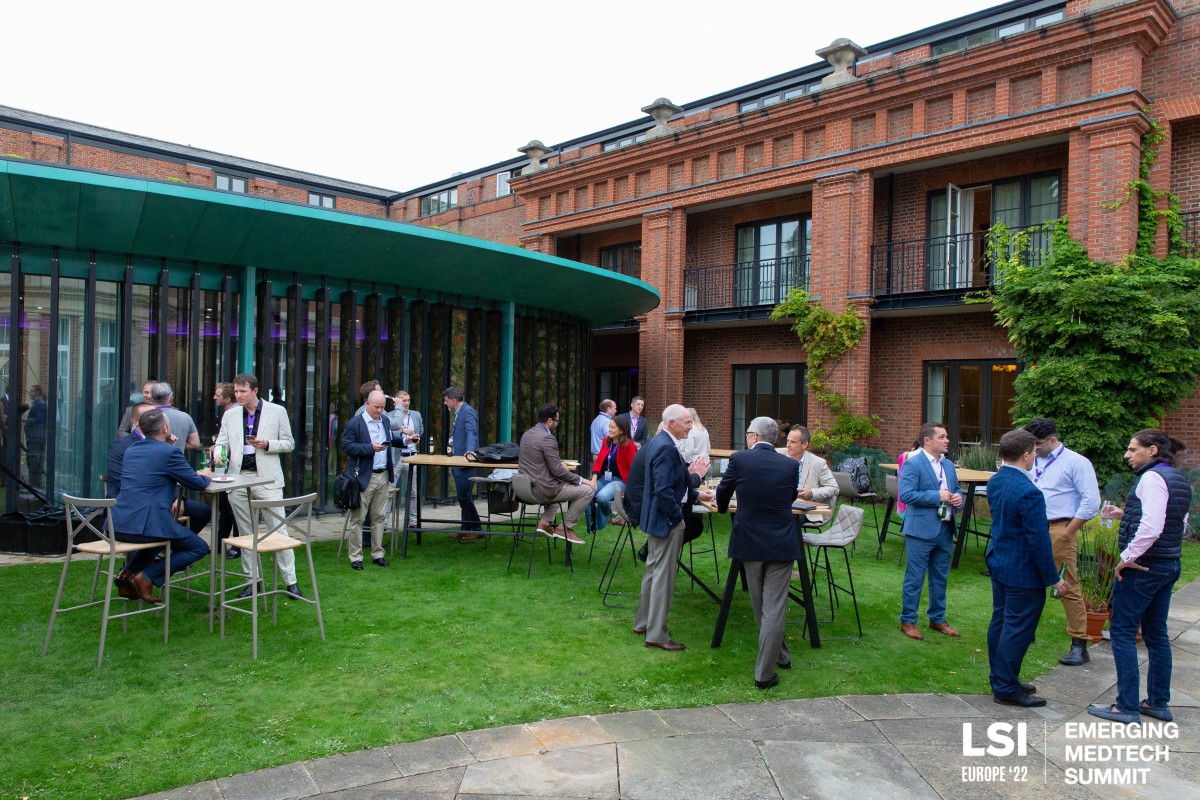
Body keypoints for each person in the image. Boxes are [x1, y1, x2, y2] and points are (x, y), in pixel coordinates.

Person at [1088, 430, 1191, 724]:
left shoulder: (1152, 478)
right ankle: (1158, 703)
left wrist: (1127, 558)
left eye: (1133, 449)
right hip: (1168, 564)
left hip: (1143, 568)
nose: (1127, 455)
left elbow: (1153, 527)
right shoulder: (1178, 479)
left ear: (1152, 450)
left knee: (1122, 632)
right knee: (1157, 634)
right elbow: (1177, 524)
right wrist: (1126, 514)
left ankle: (1126, 706)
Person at [716, 416, 803, 690]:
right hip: (781, 543)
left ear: (754, 436)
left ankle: (763, 675)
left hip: (749, 542)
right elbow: (790, 497)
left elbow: (723, 491)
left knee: (761, 607)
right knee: (772, 607)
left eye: (747, 433)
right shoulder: (791, 465)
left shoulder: (740, 459)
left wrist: (722, 508)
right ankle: (781, 656)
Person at [984, 430, 1066, 708]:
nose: (1035, 457)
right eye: (1034, 452)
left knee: (1001, 621)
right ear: (1026, 455)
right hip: (1022, 571)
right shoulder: (1029, 492)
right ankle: (1005, 687)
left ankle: (1002, 678)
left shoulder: (996, 480)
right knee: (1016, 628)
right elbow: (1038, 540)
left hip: (1000, 562)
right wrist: (1052, 577)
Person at [110, 408, 212, 604]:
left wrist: (168, 447)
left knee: (159, 541)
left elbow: (153, 470)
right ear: (165, 428)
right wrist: (206, 475)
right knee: (198, 547)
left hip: (119, 525)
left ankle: (127, 574)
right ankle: (145, 577)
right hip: (148, 526)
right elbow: (197, 484)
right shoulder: (169, 452)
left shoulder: (132, 450)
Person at [215, 372, 303, 598]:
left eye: (242, 391)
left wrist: (267, 444)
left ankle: (290, 581)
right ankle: (252, 581)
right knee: (246, 533)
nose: (238, 395)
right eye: (236, 391)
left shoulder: (277, 411)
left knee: (278, 529)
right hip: (238, 478)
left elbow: (289, 443)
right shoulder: (230, 415)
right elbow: (222, 443)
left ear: (254, 391)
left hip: (268, 479)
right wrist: (218, 454)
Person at [632, 404, 712, 651]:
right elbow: (664, 490)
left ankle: (643, 624)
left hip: (658, 518)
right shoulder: (666, 447)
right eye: (687, 422)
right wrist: (676, 518)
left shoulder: (661, 442)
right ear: (672, 423)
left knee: (653, 572)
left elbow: (674, 483)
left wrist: (695, 490)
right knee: (663, 578)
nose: (691, 426)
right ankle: (657, 634)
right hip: (666, 521)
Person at [1023, 417, 1101, 667]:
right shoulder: (1031, 460)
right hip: (1032, 527)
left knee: (1066, 584)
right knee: (1027, 579)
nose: (1034, 449)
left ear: (1053, 440)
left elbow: (1091, 501)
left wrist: (1069, 531)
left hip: (1059, 527)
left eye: (1037, 444)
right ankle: (1026, 630)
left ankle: (1079, 643)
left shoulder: (1076, 462)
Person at [898, 422, 964, 640]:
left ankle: (937, 618)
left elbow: (955, 490)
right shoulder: (913, 464)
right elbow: (906, 495)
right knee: (915, 578)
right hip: (920, 531)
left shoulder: (949, 465)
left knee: (940, 578)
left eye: (946, 436)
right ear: (927, 440)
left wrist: (958, 498)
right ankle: (908, 620)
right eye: (942, 437)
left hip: (945, 529)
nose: (947, 440)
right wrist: (938, 496)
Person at [341, 390, 403, 569]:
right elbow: (347, 446)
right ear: (367, 404)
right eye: (376, 407)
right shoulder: (355, 423)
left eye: (382, 407)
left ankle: (378, 554)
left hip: (383, 475)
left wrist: (406, 441)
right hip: (363, 477)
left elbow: (390, 439)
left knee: (379, 517)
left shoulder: (384, 421)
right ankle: (356, 557)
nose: (380, 411)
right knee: (358, 519)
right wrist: (370, 448)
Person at [518, 403, 594, 545]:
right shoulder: (548, 438)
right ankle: (565, 528)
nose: (557, 424)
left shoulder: (527, 434)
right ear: (550, 421)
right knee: (587, 491)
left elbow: (540, 459)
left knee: (560, 485)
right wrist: (583, 480)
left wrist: (559, 463)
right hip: (542, 490)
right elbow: (558, 471)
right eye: (557, 421)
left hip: (525, 489)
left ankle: (545, 523)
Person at [443, 387, 482, 540]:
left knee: (464, 496)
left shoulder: (468, 411)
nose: (445, 404)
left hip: (465, 461)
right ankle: (465, 528)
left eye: (447, 401)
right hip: (458, 460)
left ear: (454, 400)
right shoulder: (461, 412)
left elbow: (471, 432)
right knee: (463, 496)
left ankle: (477, 529)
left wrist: (470, 451)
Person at [587, 414, 637, 531]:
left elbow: (634, 468)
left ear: (621, 430)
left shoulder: (629, 445)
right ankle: (591, 523)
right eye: (609, 426)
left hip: (619, 481)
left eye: (613, 427)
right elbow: (599, 461)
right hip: (604, 478)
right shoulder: (606, 440)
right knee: (586, 493)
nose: (609, 429)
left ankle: (599, 524)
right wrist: (593, 480)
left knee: (602, 497)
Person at [784, 426, 838, 526]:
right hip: (781, 505)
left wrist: (812, 493)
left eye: (793, 442)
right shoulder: (779, 456)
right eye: (787, 441)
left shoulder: (818, 463)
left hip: (805, 510)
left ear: (804, 444)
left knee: (786, 518)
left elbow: (834, 488)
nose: (788, 445)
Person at [211, 382, 241, 557]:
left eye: (217, 395)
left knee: (232, 507)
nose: (214, 397)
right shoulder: (228, 414)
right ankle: (220, 544)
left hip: (233, 468)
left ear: (227, 399)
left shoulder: (235, 414)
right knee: (225, 506)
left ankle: (236, 546)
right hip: (225, 465)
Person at [387, 388, 423, 528]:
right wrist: (402, 431)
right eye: (403, 401)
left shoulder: (416, 415)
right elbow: (389, 434)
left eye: (408, 400)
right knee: (389, 491)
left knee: (413, 492)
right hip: (396, 458)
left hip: (412, 457)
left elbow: (420, 430)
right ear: (396, 402)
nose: (406, 403)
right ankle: (383, 523)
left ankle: (413, 522)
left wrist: (416, 438)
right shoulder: (389, 416)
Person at [149, 382, 202, 451]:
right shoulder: (185, 417)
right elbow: (195, 443)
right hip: (176, 456)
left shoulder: (145, 417)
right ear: (171, 399)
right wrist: (179, 444)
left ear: (151, 399)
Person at [24, 384, 47, 488]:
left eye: (32, 391)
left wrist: (25, 420)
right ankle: (34, 482)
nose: (30, 393)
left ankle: (35, 483)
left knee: (33, 460)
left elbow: (39, 419)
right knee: (32, 459)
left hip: (35, 437)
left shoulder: (39, 404)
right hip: (34, 436)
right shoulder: (35, 404)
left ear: (38, 392)